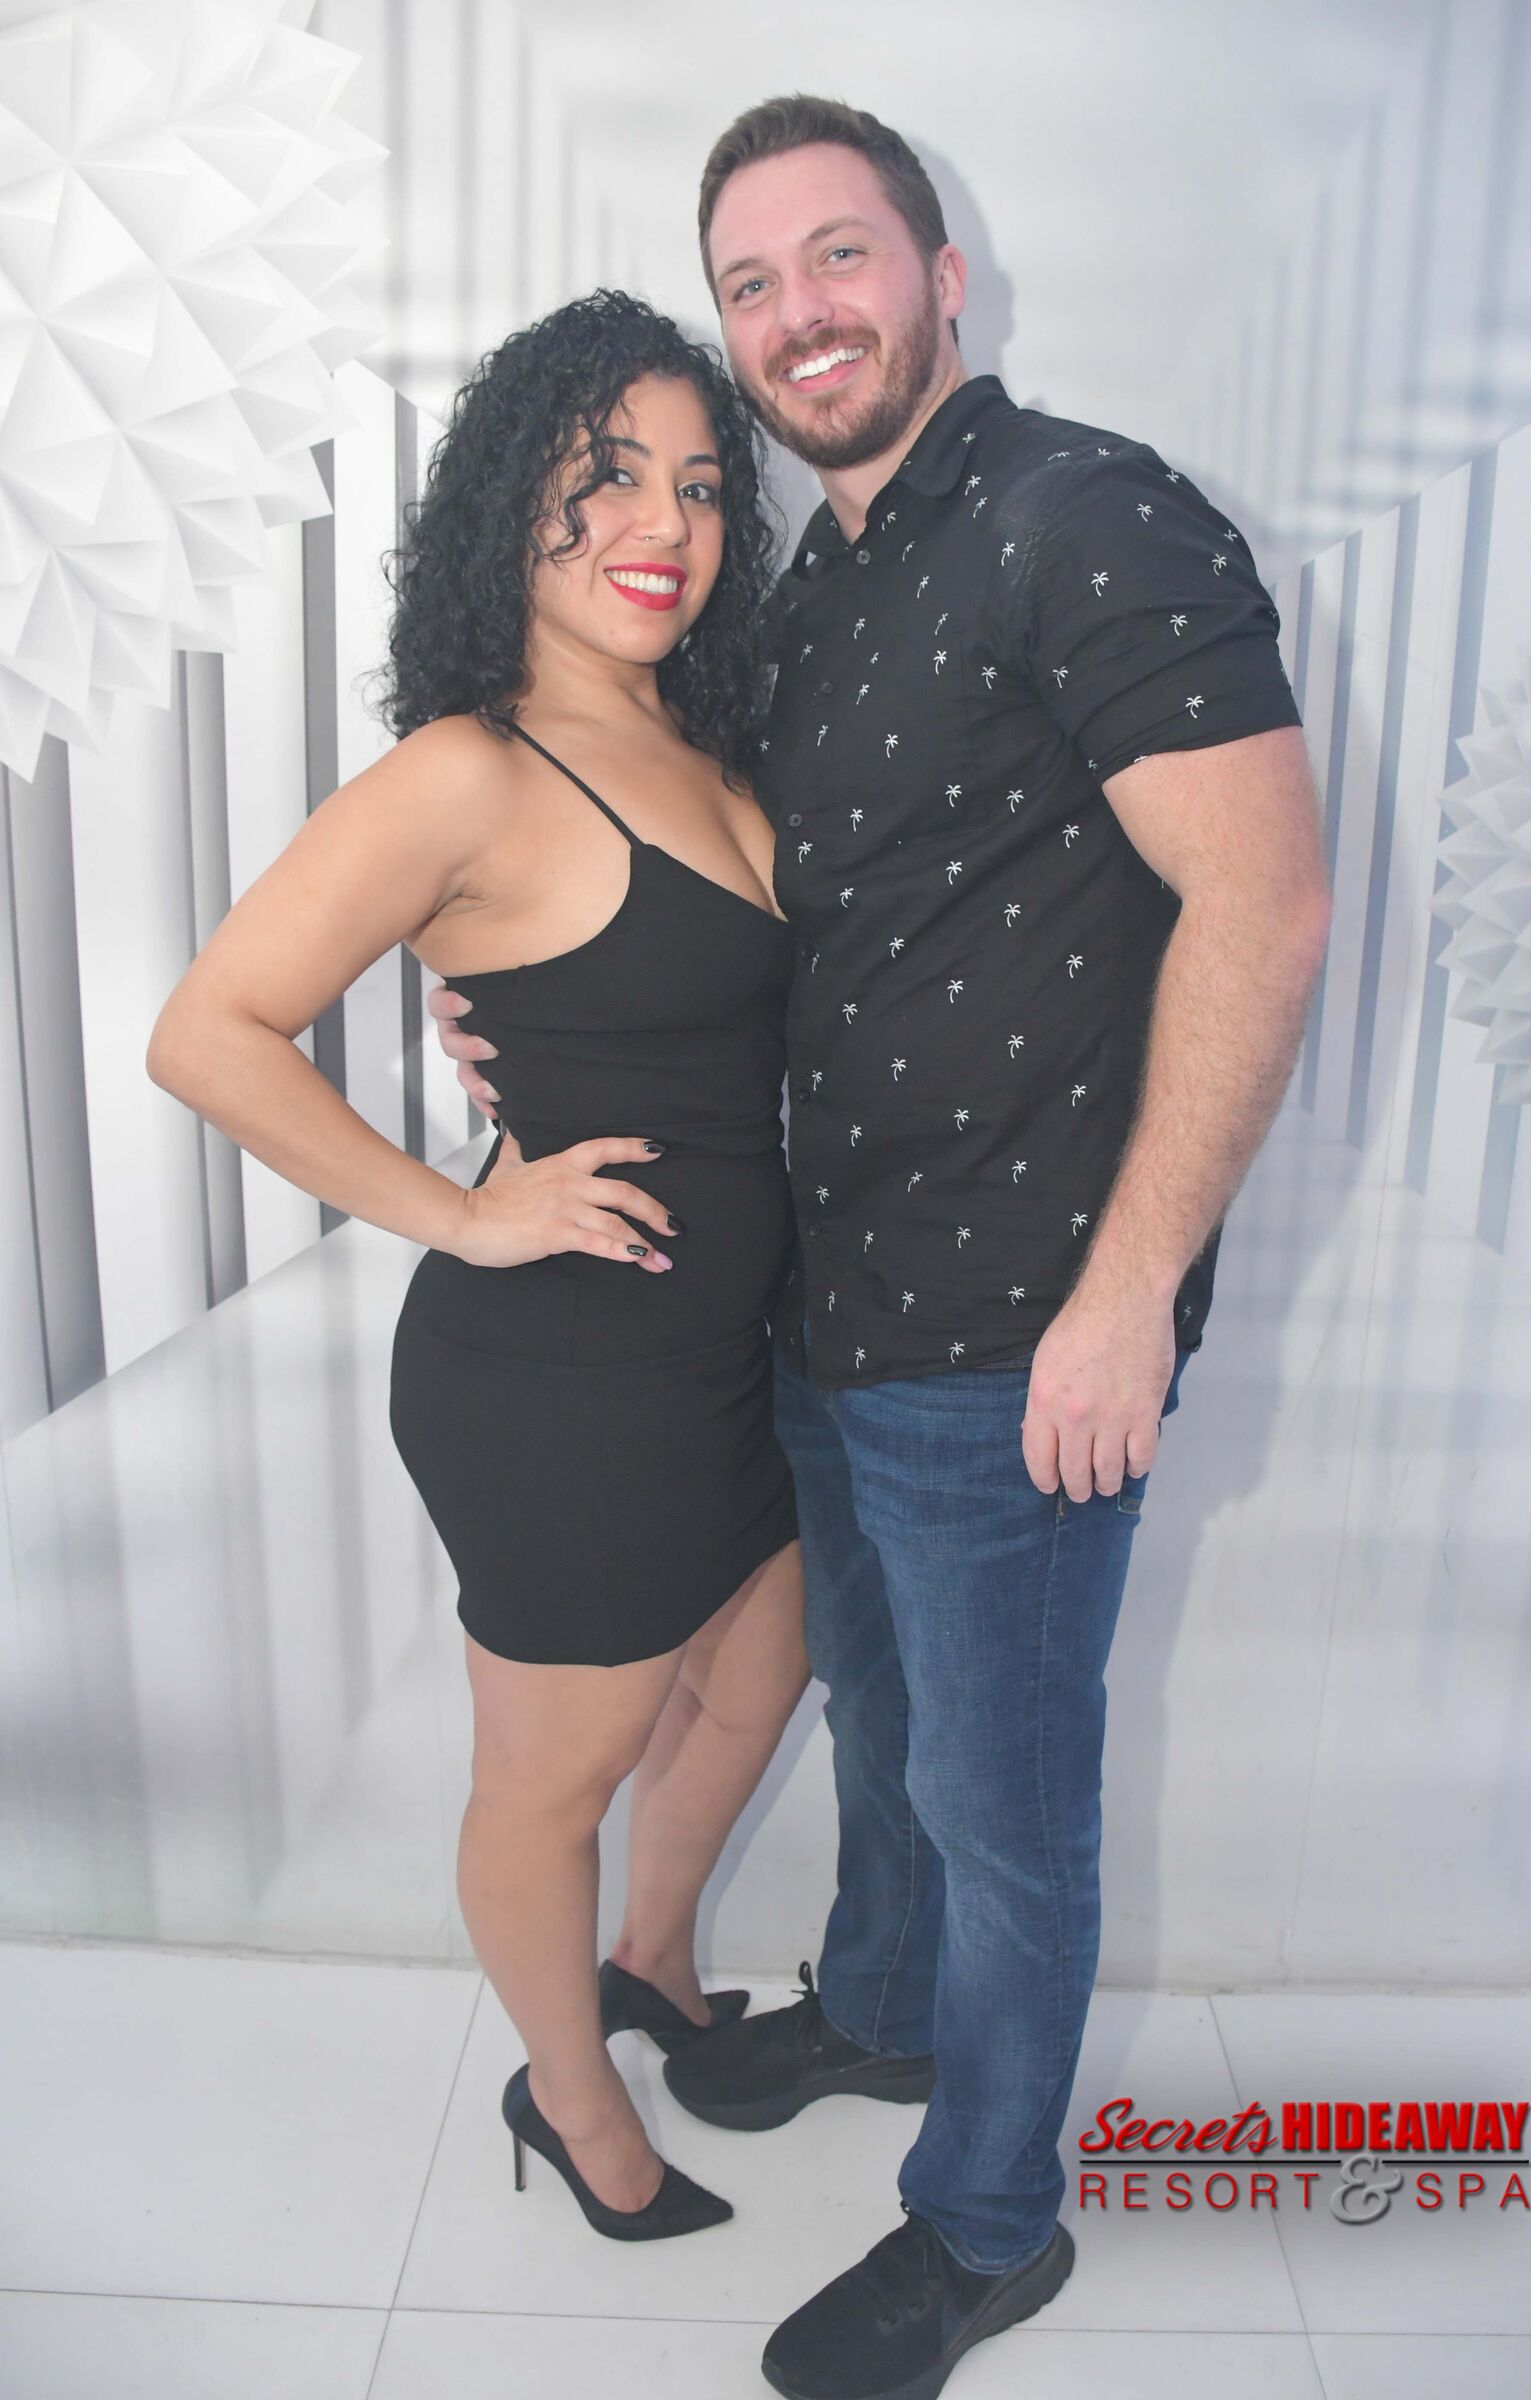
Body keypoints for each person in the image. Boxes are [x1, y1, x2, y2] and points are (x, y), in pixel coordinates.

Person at [436, 100, 1333, 2400]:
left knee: (1003, 1815)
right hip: (821, 1321)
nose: (795, 314)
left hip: (1022, 1331)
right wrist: (509, 1007)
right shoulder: (803, 593)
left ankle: (987, 2225)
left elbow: (1260, 903)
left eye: (837, 256)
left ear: (940, 275)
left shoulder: (1091, 516)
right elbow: (704, 895)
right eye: (750, 283)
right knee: (890, 1730)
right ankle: (878, 2008)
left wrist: (1127, 1288)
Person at [147, 292, 813, 2246]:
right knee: (551, 1780)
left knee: (759, 1675)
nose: (663, 522)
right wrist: (462, 1210)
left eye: (700, 484)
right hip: (564, 1380)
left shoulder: (704, 739)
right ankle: (573, 2102)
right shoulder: (470, 769)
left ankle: (653, 1964)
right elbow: (207, 1032)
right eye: (608, 475)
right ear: (514, 500)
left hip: (737, 1350)